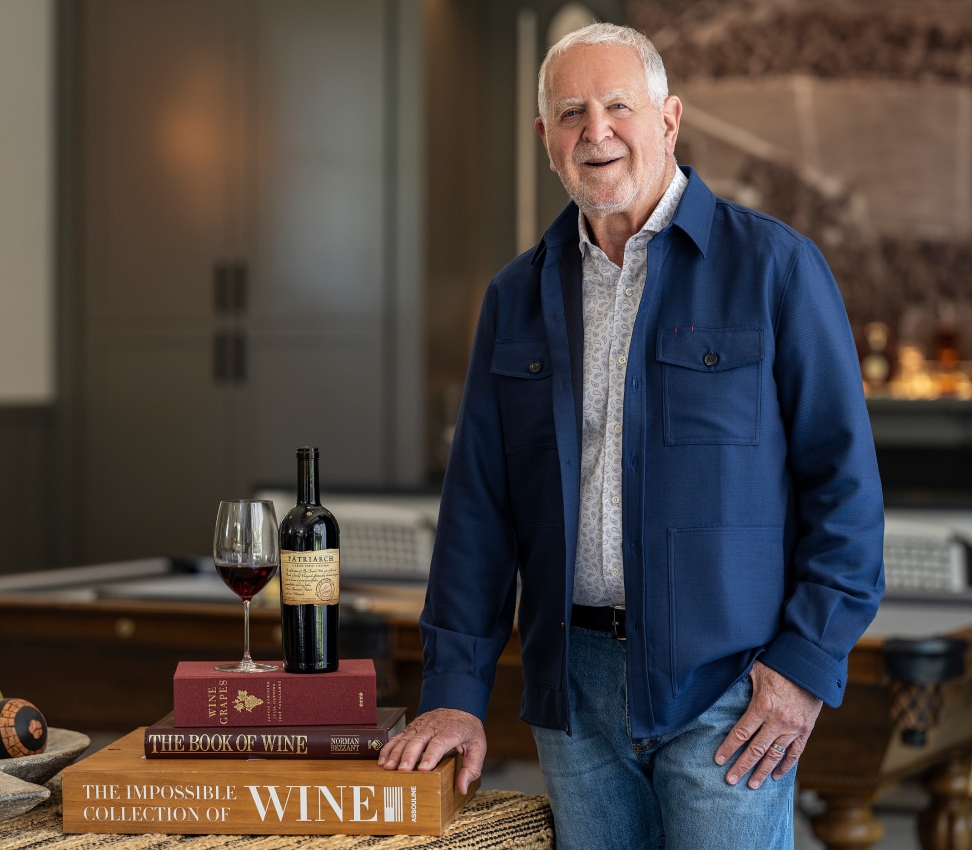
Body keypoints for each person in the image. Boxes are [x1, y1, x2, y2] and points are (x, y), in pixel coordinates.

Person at [378, 21, 884, 850]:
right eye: (570, 114)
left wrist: (801, 668)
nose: (596, 131)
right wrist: (454, 694)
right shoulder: (514, 298)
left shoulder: (776, 269)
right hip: (574, 696)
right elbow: (478, 509)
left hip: (730, 689)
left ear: (669, 120)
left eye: (619, 106)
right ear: (546, 140)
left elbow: (846, 490)